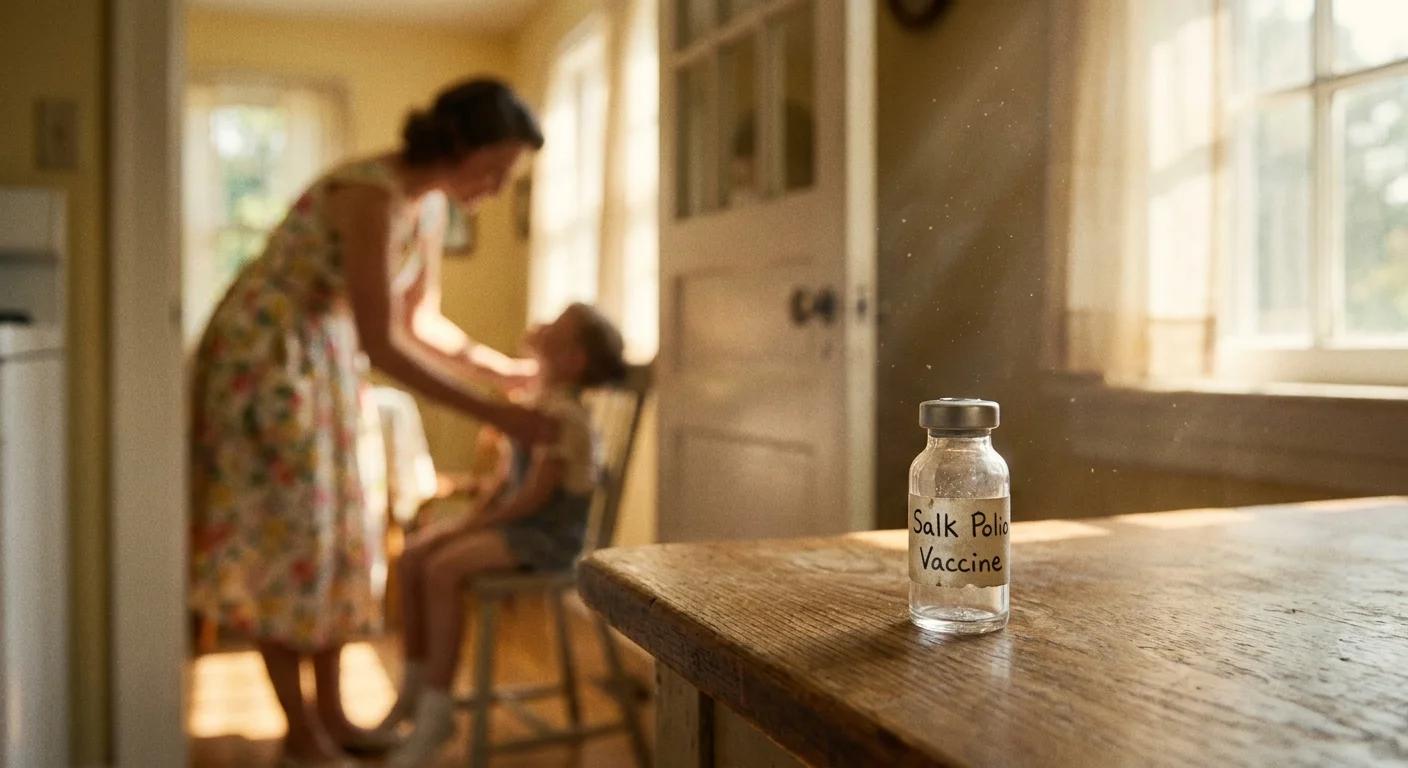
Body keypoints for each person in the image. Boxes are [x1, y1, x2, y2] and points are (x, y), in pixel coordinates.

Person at [189, 78, 558, 768]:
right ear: (459, 144)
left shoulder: (426, 210)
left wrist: (500, 371)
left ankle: (331, 714)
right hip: (269, 360)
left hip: (326, 362)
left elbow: (420, 321)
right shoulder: (371, 196)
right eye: (496, 168)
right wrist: (495, 415)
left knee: (338, 538)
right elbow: (385, 341)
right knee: (283, 539)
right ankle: (301, 733)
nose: (499, 184)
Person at [376, 303, 627, 767]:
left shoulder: (565, 418)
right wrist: (459, 523)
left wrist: (465, 530)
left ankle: (436, 709)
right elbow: (503, 484)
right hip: (518, 526)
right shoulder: (534, 404)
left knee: (442, 568)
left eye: (558, 325)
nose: (543, 323)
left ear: (572, 360)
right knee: (413, 555)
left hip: (548, 538)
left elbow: (533, 500)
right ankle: (410, 695)